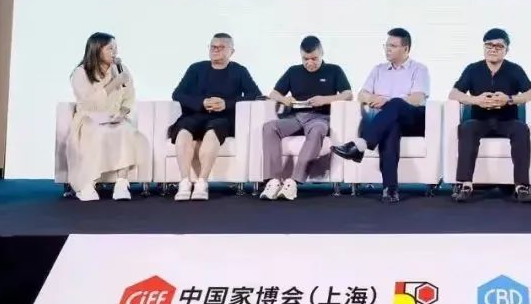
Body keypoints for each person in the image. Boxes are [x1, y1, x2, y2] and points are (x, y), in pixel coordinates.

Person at [331, 28, 429, 203]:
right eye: (386, 45)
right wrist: (372, 98)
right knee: (391, 127)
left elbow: (417, 98)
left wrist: (387, 101)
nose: (387, 49)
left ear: (406, 49)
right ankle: (390, 189)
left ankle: (361, 144)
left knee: (396, 103)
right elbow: (362, 95)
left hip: (413, 119)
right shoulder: (378, 70)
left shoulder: (419, 69)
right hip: (387, 121)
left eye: (393, 46)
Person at [449, 28, 531, 204]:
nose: (493, 49)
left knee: (521, 129)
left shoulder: (514, 69)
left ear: (507, 50)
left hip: (507, 120)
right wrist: (476, 100)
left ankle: (522, 186)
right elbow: (453, 94)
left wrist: (509, 99)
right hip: (480, 120)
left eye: (498, 46)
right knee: (466, 128)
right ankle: (465, 184)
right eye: (489, 45)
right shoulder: (473, 69)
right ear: (484, 47)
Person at [168, 33, 260, 201]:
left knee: (212, 133)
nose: (216, 50)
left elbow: (254, 95)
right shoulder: (196, 68)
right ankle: (184, 182)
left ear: (231, 51)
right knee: (183, 132)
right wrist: (201, 102)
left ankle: (202, 182)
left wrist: (227, 103)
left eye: (221, 47)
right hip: (196, 114)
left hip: (223, 118)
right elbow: (178, 94)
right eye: (213, 47)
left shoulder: (239, 71)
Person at [260, 36, 352, 201]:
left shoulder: (334, 70)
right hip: (296, 117)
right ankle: (273, 180)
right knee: (269, 127)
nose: (310, 63)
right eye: (305, 59)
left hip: (321, 118)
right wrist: (284, 99)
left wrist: (326, 99)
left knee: (317, 131)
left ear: (322, 53)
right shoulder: (293, 71)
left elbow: (348, 94)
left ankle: (293, 182)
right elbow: (274, 93)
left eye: (314, 58)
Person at [67, 32, 150, 201]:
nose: (115, 52)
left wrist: (122, 113)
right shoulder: (81, 73)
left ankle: (121, 183)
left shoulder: (121, 69)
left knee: (126, 131)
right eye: (110, 48)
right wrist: (114, 83)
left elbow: (129, 96)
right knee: (97, 134)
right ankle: (88, 183)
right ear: (97, 50)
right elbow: (89, 102)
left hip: (113, 117)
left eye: (116, 48)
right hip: (89, 118)